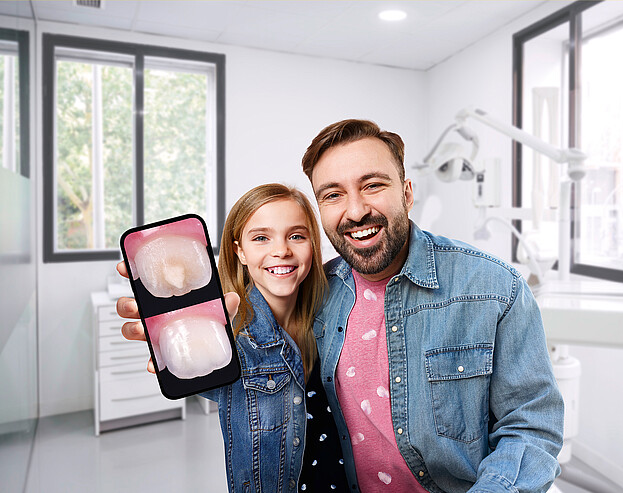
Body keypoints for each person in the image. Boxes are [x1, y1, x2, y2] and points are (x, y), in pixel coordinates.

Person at [299, 119, 564, 493]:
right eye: (333, 195)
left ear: (407, 193)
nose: (356, 211)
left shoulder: (494, 289)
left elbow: (530, 426)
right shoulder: (314, 295)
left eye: (372, 185)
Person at [116, 184, 348, 492]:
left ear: (313, 244)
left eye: (296, 235)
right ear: (239, 250)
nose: (281, 250)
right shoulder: (230, 340)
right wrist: (175, 338)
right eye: (261, 238)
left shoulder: (335, 315)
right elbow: (208, 381)